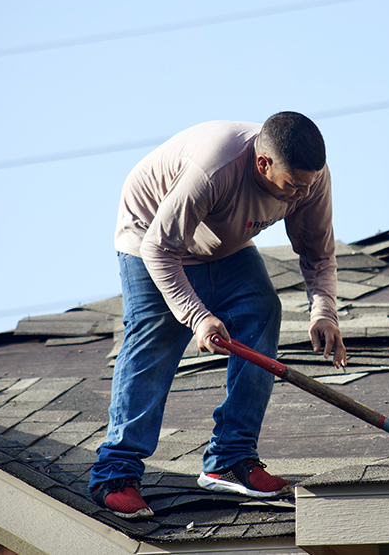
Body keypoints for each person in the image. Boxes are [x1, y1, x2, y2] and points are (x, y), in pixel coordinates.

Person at [89, 111, 347, 519]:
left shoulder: (310, 179)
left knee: (261, 310)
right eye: (294, 185)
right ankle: (115, 474)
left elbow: (318, 252)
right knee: (156, 337)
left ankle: (230, 458)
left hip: (222, 244)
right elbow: (160, 248)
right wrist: (197, 316)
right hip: (151, 238)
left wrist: (324, 312)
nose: (302, 194)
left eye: (309, 183)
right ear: (263, 164)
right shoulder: (214, 169)